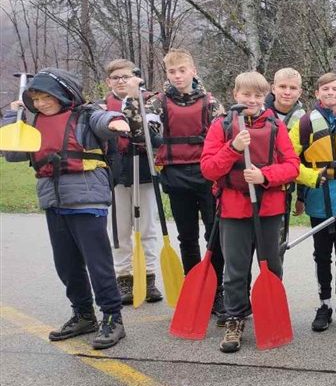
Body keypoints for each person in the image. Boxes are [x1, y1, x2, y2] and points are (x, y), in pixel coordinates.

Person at [2, 69, 131, 349]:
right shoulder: (32, 121)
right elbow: (12, 153)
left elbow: (104, 119)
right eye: (35, 98)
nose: (40, 104)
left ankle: (112, 318)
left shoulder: (86, 115)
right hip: (54, 200)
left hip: (87, 199)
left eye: (45, 97)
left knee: (98, 264)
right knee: (67, 265)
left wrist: (117, 121)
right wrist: (14, 117)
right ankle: (83, 314)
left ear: (62, 94)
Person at [200, 71, 299, 353]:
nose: (252, 100)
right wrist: (233, 148)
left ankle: (271, 315)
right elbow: (208, 169)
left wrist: (264, 175)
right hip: (233, 209)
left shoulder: (276, 127)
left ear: (264, 97)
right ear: (235, 95)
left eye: (257, 95)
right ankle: (235, 318)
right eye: (246, 94)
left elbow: (292, 165)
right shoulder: (221, 126)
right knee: (235, 270)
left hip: (268, 209)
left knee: (272, 266)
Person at [145, 48, 226, 321]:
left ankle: (217, 291)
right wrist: (138, 117)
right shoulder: (158, 102)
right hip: (176, 176)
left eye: (182, 70)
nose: (178, 76)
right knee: (187, 237)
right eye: (172, 72)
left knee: (214, 235)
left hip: (207, 175)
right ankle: (195, 289)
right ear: (166, 73)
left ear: (193, 70)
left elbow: (223, 132)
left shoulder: (210, 102)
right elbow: (145, 129)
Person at [291, 72, 336, 332]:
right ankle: (324, 304)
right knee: (322, 255)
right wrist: (305, 183)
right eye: (325, 89)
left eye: (335, 89)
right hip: (318, 198)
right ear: (317, 94)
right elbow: (289, 159)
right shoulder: (306, 123)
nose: (330, 93)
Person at [102, 59, 163, 304]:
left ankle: (148, 277)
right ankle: (124, 278)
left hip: (143, 168)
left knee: (146, 226)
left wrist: (135, 101)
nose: (121, 81)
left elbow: (154, 133)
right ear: (109, 82)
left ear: (135, 78)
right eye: (116, 78)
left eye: (126, 77)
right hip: (116, 171)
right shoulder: (100, 106)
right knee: (120, 229)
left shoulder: (149, 103)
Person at [266, 67, 306, 249]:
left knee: (276, 247)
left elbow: (305, 159)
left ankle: (274, 278)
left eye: (293, 88)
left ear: (300, 91)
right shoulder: (256, 111)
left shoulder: (305, 120)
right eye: (282, 86)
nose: (287, 92)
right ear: (273, 88)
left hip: (282, 190)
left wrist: (302, 197)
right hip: (253, 186)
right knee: (248, 244)